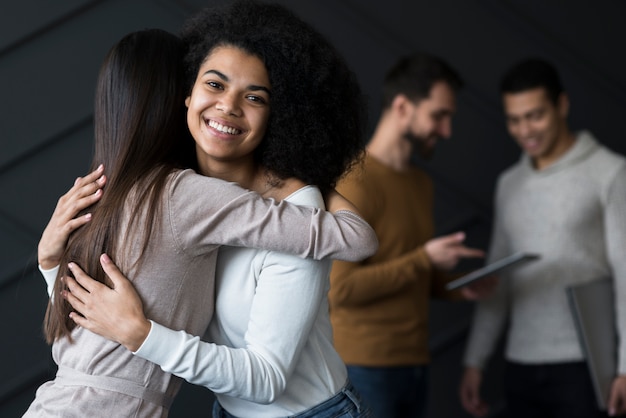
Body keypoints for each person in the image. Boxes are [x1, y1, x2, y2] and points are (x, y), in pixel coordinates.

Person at [34, 1, 377, 416]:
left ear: (281, 115)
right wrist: (51, 262)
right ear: (186, 95)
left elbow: (266, 378)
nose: (229, 106)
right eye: (215, 84)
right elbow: (98, 324)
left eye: (254, 97)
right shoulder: (170, 195)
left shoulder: (294, 209)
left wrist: (142, 334)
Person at [459, 58, 626, 418]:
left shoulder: (609, 172)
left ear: (562, 105)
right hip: (519, 364)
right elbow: (496, 280)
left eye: (535, 115)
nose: (524, 130)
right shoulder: (509, 184)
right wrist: (475, 361)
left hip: (584, 367)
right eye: (514, 120)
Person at [328, 52, 490, 418]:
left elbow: (406, 271)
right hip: (362, 369)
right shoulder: (355, 181)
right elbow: (342, 290)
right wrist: (425, 259)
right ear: (402, 106)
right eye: (439, 115)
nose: (446, 131)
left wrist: (454, 286)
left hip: (414, 364)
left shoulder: (420, 183)